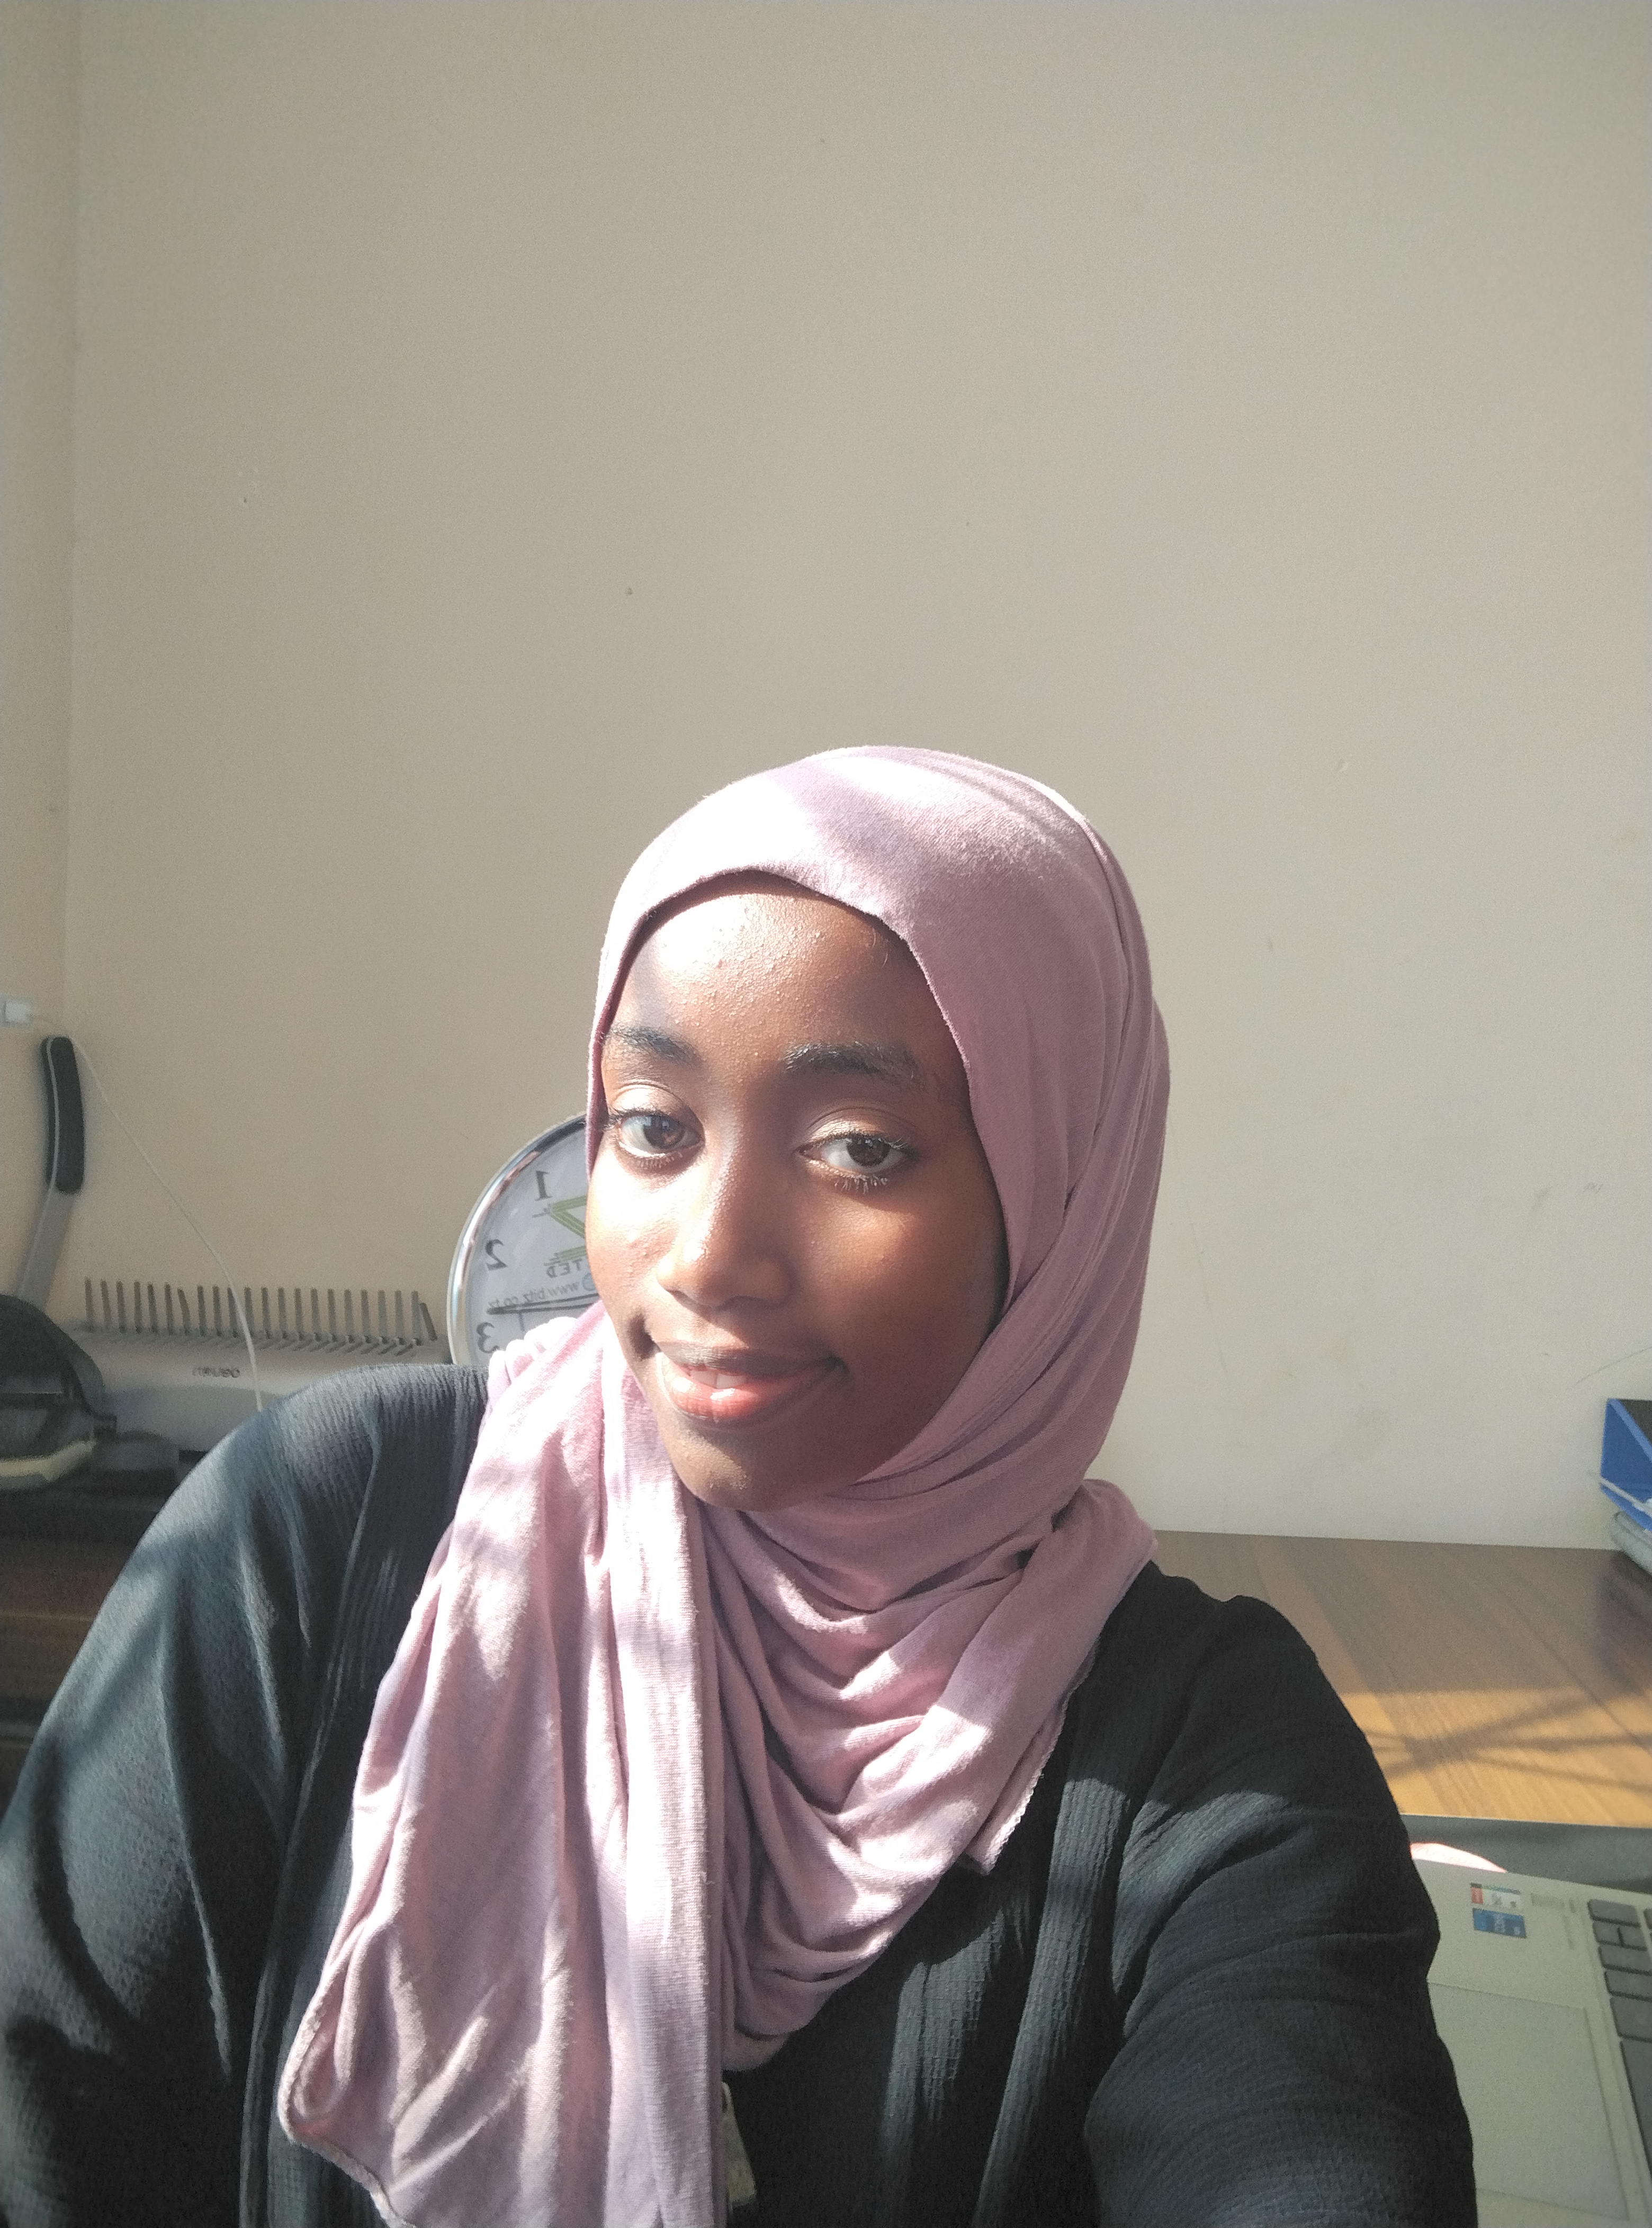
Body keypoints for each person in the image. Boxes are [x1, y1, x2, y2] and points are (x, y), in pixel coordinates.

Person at [0, 748, 1474, 2227]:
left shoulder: (1212, 1764)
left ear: (1061, 1199)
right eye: (653, 1126)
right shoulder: (323, 1539)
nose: (708, 1258)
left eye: (860, 1149)